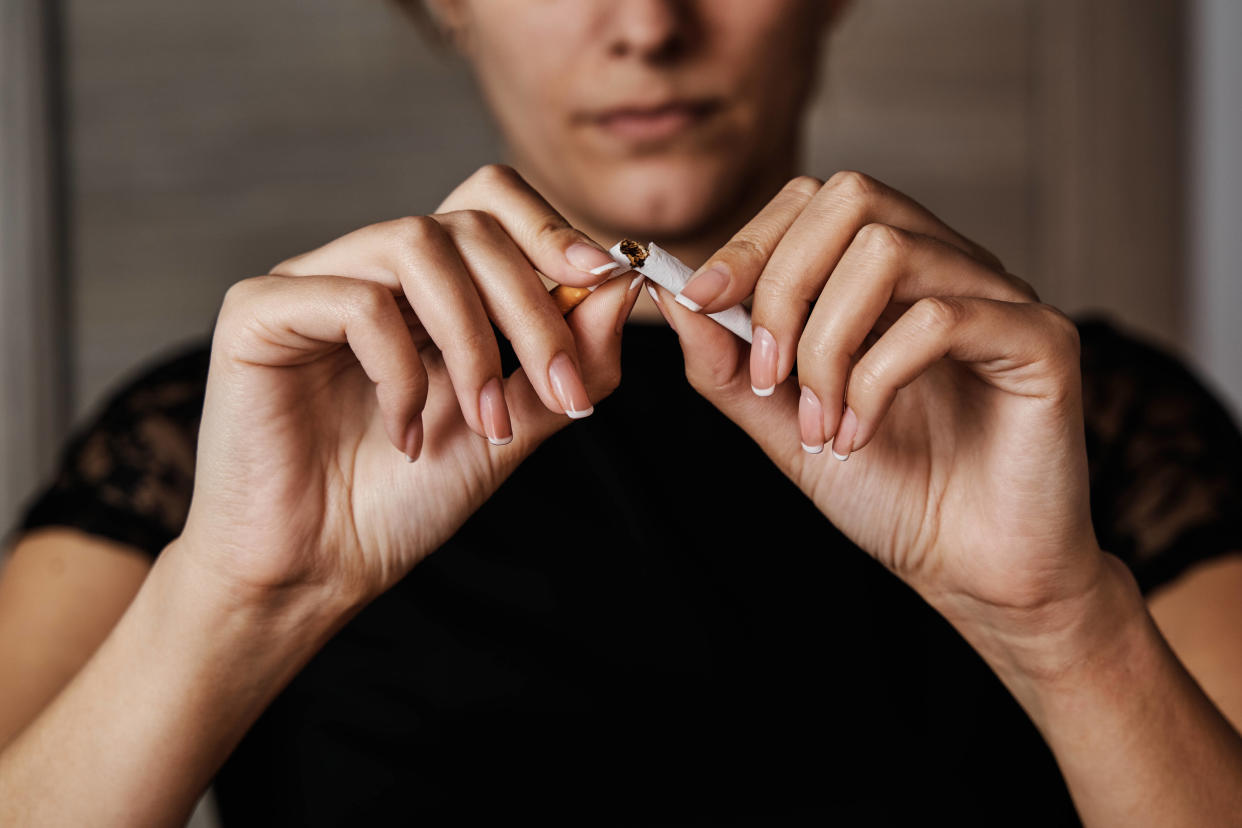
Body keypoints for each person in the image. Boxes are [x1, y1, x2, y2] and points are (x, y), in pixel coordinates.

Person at [2, 1, 1241, 824]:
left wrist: (1065, 630)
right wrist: (238, 600)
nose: (648, 25)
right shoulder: (222, 437)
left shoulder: (1081, 427)